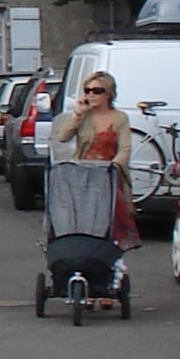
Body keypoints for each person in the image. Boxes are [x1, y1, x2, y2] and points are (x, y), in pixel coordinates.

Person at [51, 71, 142, 248]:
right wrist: (77, 114)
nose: (91, 95)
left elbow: (125, 148)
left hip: (110, 176)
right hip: (84, 176)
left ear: (109, 93)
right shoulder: (84, 116)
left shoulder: (119, 118)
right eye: (87, 90)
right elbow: (63, 137)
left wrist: (114, 167)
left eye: (97, 91)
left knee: (111, 223)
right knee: (85, 220)